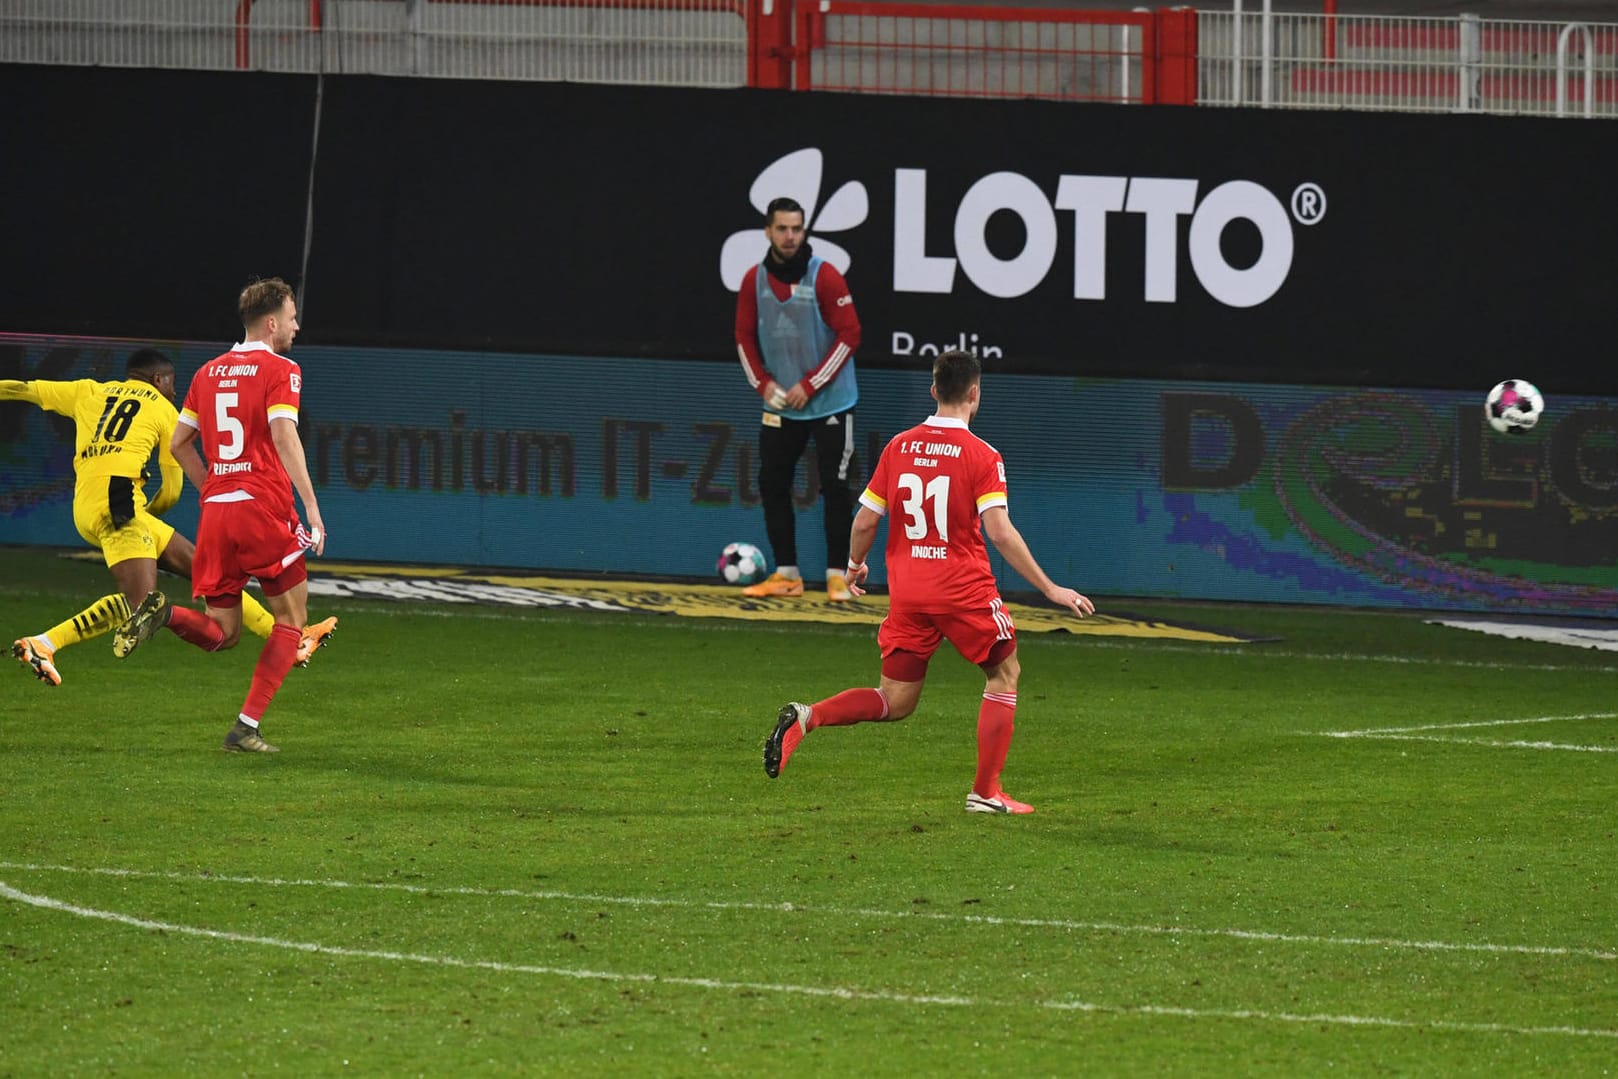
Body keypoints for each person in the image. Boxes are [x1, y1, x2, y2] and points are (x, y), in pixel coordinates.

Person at [763, 348, 1095, 814]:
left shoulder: (898, 446)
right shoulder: (982, 455)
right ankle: (985, 791)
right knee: (1005, 673)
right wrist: (1049, 588)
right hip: (962, 591)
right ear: (975, 394)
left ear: (934, 390)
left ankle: (809, 716)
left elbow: (863, 522)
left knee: (894, 699)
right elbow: (999, 530)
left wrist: (854, 565)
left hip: (909, 593)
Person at [2, 348, 336, 686]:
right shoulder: (163, 409)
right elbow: (172, 490)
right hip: (121, 507)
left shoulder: (89, 390)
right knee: (141, 605)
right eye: (173, 384)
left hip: (89, 503)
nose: (175, 392)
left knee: (204, 569)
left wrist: (144, 524)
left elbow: (25, 388)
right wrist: (146, 516)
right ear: (158, 379)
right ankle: (45, 643)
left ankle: (294, 640)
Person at [117, 277, 328, 754]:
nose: (296, 327)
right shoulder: (282, 369)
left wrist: (214, 488)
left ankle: (165, 613)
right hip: (261, 509)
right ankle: (244, 729)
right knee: (292, 620)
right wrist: (312, 508)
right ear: (272, 323)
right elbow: (283, 435)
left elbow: (177, 444)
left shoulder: (207, 372)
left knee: (224, 633)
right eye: (293, 318)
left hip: (216, 515)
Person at [733, 196, 862, 603]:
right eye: (783, 228)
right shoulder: (753, 279)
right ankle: (787, 574)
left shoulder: (824, 277)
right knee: (772, 482)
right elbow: (743, 337)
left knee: (835, 486)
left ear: (804, 231)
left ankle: (838, 576)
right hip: (780, 405)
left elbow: (850, 334)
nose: (790, 236)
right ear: (768, 231)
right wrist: (763, 385)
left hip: (831, 404)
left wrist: (811, 384)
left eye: (797, 228)